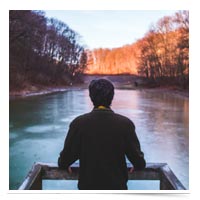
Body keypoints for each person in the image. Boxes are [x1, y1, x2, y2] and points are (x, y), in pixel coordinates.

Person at [58, 79, 146, 190]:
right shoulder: (125, 124)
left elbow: (64, 160)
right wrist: (137, 165)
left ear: (91, 97)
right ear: (112, 97)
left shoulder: (78, 124)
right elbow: (139, 161)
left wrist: (65, 164)